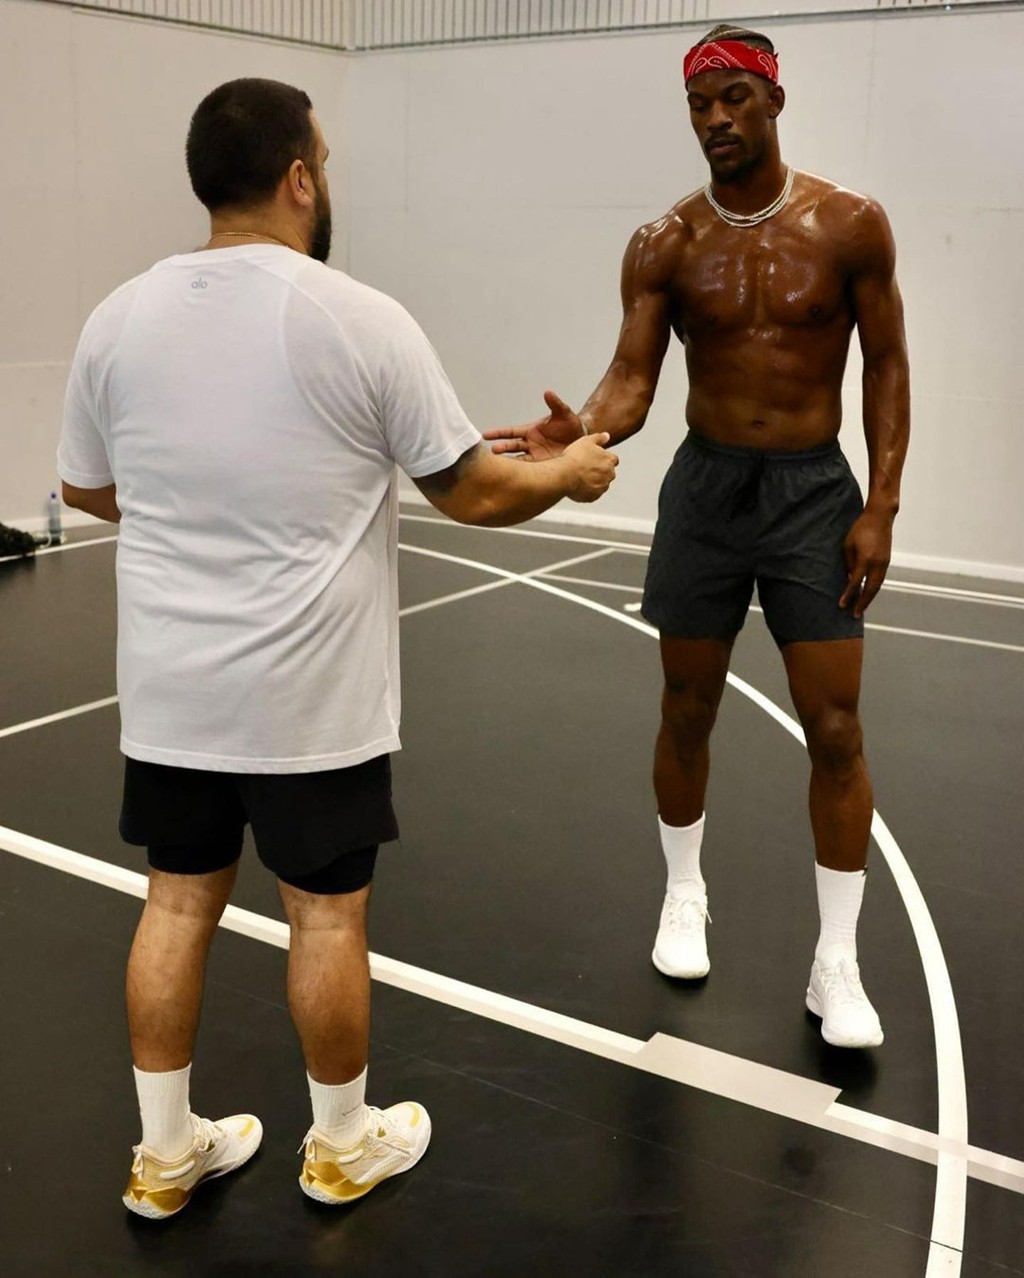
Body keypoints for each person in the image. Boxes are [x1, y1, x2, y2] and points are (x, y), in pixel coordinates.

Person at [57, 77, 617, 1220]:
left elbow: (89, 488)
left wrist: (202, 501)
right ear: (299, 178)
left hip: (171, 693)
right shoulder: (357, 316)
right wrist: (569, 470)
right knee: (323, 915)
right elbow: (473, 493)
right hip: (308, 702)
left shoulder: (117, 318)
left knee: (174, 905)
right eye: (326, 161)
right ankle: (343, 1143)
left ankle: (164, 1156)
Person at [486, 26, 909, 1049]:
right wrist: (577, 430)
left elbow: (887, 363)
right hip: (706, 493)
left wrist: (881, 505)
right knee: (685, 707)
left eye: (732, 100)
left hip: (813, 493)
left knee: (836, 729)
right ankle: (684, 894)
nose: (715, 120)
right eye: (698, 105)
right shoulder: (664, 243)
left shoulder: (849, 225)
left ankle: (837, 960)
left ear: (773, 100)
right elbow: (632, 379)